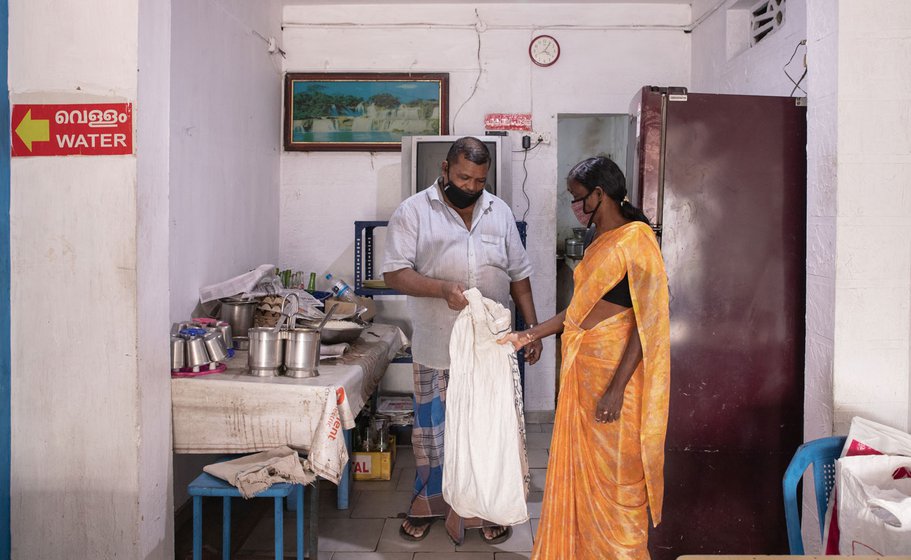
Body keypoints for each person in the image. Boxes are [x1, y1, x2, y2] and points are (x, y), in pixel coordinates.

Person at [499, 156, 670, 559]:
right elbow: (578, 313)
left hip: (617, 392)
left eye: (578, 198)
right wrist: (529, 334)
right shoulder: (599, 243)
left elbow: (648, 329)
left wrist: (615, 389)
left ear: (599, 194)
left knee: (618, 487)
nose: (574, 207)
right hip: (583, 382)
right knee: (583, 485)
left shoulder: (637, 240)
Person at [383, 136, 542, 545]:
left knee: (487, 431)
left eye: (479, 179)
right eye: (463, 177)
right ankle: (429, 500)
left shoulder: (499, 211)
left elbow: (519, 274)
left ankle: (483, 505)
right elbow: (395, 274)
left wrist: (534, 329)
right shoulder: (414, 211)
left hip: (490, 351)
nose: (471, 186)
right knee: (433, 433)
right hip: (437, 346)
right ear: (445, 168)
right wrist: (440, 290)